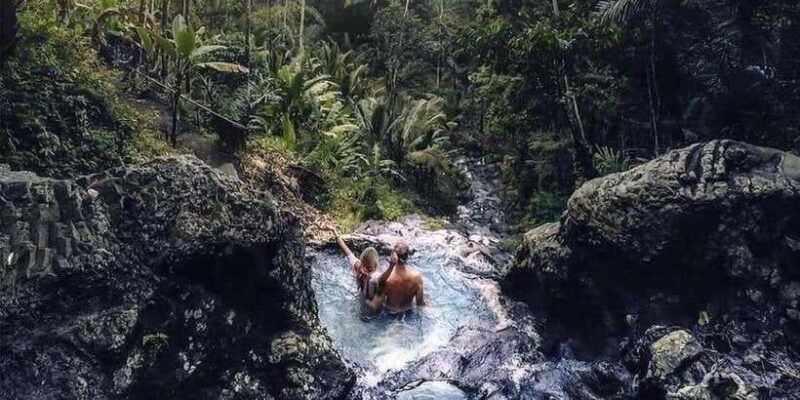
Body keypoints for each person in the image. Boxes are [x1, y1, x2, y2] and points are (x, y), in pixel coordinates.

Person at [335, 234, 384, 311]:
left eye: (369, 269)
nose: (365, 271)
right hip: (370, 302)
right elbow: (348, 253)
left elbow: (348, 253)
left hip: (366, 301)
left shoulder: (362, 269)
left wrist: (336, 235)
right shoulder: (374, 275)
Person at [376, 241, 425, 314]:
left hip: (390, 315)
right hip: (408, 314)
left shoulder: (387, 278)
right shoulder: (417, 277)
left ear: (393, 255)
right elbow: (420, 304)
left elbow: (378, 304)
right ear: (408, 256)